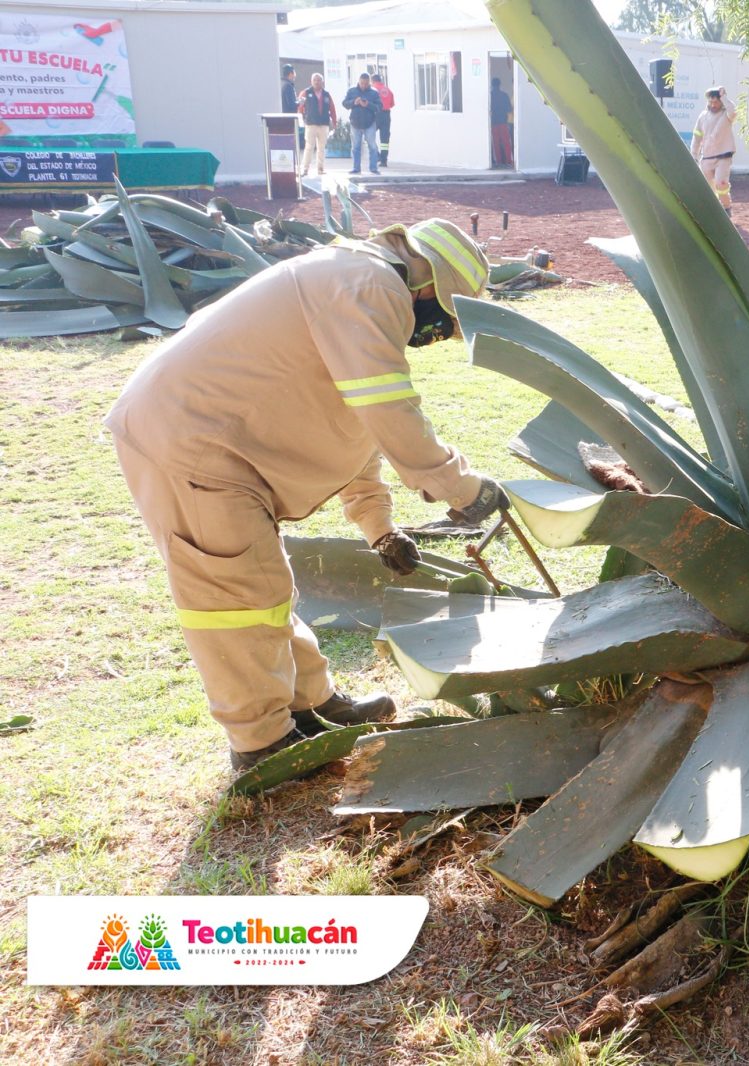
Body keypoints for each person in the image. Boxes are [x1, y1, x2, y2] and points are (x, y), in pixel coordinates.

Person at [105, 219, 506, 775]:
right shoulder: (368, 285)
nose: (441, 331)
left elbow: (360, 421)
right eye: (450, 316)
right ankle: (261, 743)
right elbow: (391, 412)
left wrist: (380, 529)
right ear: (429, 287)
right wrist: (463, 487)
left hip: (215, 444)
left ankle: (311, 703)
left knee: (266, 587)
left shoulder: (351, 283)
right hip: (192, 445)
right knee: (235, 600)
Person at [691, 85, 737, 214]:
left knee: (721, 183)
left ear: (721, 101)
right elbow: (697, 136)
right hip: (706, 158)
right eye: (711, 102)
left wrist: (724, 97)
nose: (713, 104)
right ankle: (713, 211)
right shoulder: (703, 116)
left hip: (723, 157)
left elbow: (733, 111)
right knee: (707, 187)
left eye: (716, 102)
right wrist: (694, 154)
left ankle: (726, 207)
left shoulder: (727, 115)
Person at [297, 73, 337, 178]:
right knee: (309, 147)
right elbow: (300, 108)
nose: (316, 82)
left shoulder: (327, 94)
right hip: (311, 124)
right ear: (311, 81)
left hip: (323, 124)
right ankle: (305, 169)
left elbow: (332, 108)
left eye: (319, 80)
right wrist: (300, 121)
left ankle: (320, 169)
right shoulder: (305, 93)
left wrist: (334, 122)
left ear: (322, 82)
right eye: (314, 80)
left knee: (321, 148)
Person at [343, 72, 383, 175]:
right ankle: (356, 168)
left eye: (366, 83)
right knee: (356, 147)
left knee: (372, 146)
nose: (363, 85)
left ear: (369, 82)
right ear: (359, 81)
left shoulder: (374, 93)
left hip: (370, 123)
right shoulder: (352, 91)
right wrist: (353, 102)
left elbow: (379, 107)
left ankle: (373, 168)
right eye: (362, 83)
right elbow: (345, 103)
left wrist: (368, 104)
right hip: (355, 123)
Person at [490, 77, 514, 168]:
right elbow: (509, 109)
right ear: (500, 85)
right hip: (503, 122)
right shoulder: (504, 95)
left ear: (492, 85)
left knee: (496, 143)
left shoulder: (490, 95)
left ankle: (498, 161)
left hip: (494, 122)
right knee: (506, 142)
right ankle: (508, 161)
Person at [373, 74, 395, 168]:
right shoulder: (388, 90)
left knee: (368, 135)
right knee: (384, 140)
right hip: (386, 115)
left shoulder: (372, 89)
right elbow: (392, 104)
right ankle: (384, 161)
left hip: (376, 114)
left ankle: (377, 155)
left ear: (372, 81)